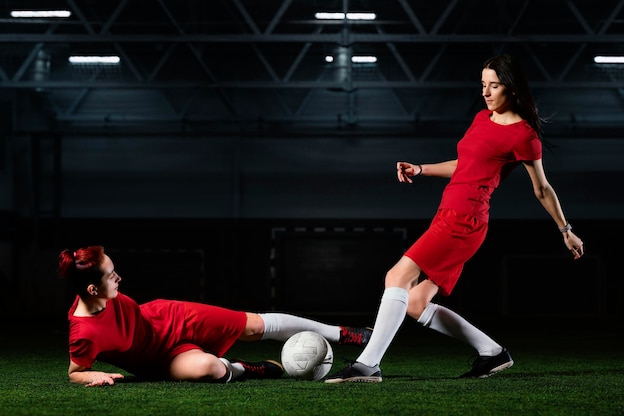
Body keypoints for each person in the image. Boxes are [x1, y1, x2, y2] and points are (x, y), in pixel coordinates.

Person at [325, 54, 584, 383]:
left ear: (513, 89)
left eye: (494, 85)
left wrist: (566, 230)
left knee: (397, 277)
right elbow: (464, 166)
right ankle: (492, 353)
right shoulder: (481, 118)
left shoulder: (524, 136)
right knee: (416, 302)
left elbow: (542, 188)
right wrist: (422, 169)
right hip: (448, 214)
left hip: (466, 220)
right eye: (483, 85)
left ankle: (367, 365)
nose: (486, 92)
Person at [58, 245, 372, 387]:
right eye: (111, 276)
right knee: (210, 368)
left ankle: (343, 334)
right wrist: (92, 375)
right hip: (158, 360)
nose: (119, 278)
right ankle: (244, 370)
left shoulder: (101, 293)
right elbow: (76, 370)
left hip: (171, 317)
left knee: (253, 325)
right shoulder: (84, 333)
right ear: (92, 289)